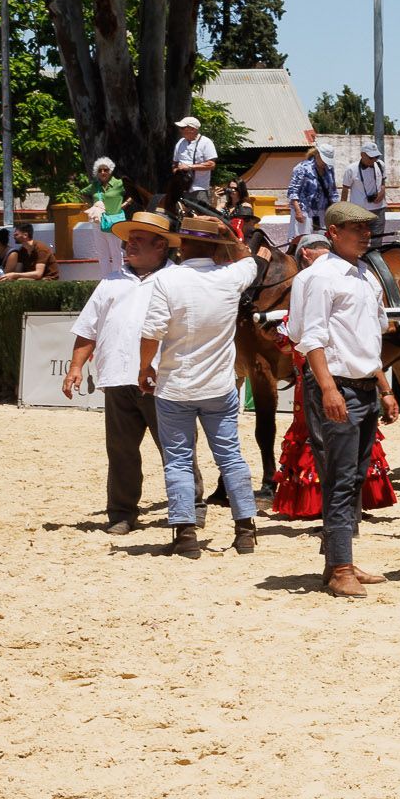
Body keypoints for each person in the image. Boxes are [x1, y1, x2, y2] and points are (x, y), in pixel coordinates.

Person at [140, 215, 268, 558]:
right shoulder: (231, 276)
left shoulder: (165, 279)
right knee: (230, 456)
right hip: (218, 384)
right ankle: (244, 529)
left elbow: (151, 333)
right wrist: (229, 235)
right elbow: (255, 258)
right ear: (217, 246)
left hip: (175, 385)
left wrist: (143, 368)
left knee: (179, 460)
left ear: (183, 244)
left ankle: (185, 535)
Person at [292, 202, 400, 599]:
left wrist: (384, 388)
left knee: (352, 479)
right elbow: (312, 339)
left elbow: (368, 338)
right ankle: (340, 568)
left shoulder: (362, 274)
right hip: (338, 384)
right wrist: (328, 388)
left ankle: (341, 559)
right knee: (340, 479)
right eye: (356, 228)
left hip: (363, 385)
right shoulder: (321, 278)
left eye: (367, 228)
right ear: (334, 233)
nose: (365, 234)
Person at [64, 209, 176, 534]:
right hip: (116, 379)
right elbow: (88, 330)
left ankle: (188, 510)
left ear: (161, 246)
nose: (129, 246)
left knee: (175, 450)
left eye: (139, 240)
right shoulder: (109, 283)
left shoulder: (175, 280)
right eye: (129, 240)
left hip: (163, 380)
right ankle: (122, 514)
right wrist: (75, 367)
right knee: (121, 452)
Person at [286, 143, 337, 243]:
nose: (325, 163)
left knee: (321, 241)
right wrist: (298, 211)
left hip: (323, 211)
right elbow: (293, 191)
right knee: (303, 240)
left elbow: (333, 191)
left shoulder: (329, 170)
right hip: (304, 211)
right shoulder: (302, 168)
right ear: (317, 154)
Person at [88, 156, 128, 276]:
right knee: (102, 253)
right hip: (98, 222)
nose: (103, 172)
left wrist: (125, 204)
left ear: (110, 170)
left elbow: (133, 192)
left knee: (116, 252)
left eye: (105, 170)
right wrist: (92, 206)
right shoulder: (95, 185)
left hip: (114, 221)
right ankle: (105, 278)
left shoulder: (119, 183)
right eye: (100, 170)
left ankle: (118, 277)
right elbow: (82, 193)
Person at [342, 138, 389, 238]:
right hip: (359, 211)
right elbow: (345, 189)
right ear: (362, 155)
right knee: (358, 239)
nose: (374, 160)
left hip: (379, 209)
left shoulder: (381, 165)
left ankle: (375, 253)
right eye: (371, 157)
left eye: (376, 157)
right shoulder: (351, 169)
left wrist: (382, 192)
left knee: (377, 239)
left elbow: (383, 181)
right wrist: (342, 210)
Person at [171, 113, 217, 207]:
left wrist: (189, 167)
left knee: (201, 216)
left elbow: (211, 165)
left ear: (193, 129)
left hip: (199, 188)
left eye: (183, 128)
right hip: (182, 187)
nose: (180, 130)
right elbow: (175, 163)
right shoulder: (180, 143)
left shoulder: (206, 142)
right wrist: (176, 171)